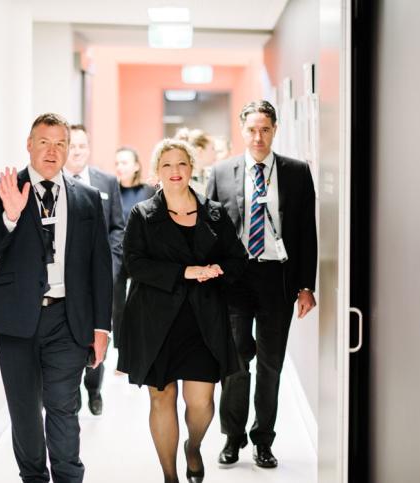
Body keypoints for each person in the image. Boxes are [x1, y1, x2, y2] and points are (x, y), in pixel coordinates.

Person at [0, 113, 113, 483]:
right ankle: (33, 478)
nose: (52, 151)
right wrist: (10, 216)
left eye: (60, 143)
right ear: (29, 145)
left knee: (64, 407)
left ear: (69, 149)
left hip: (68, 319)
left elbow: (100, 267)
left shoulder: (86, 199)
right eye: (44, 142)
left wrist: (102, 328)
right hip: (16, 320)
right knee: (24, 412)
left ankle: (69, 478)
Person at [117, 139, 246, 483]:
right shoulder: (143, 215)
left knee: (201, 403)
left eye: (182, 164)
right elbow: (133, 264)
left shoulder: (214, 213)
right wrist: (184, 272)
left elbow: (238, 259)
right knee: (162, 399)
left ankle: (194, 446)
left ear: (192, 168)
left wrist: (218, 268)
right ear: (157, 172)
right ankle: (170, 476)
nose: (175, 172)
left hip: (203, 320)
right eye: (167, 165)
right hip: (155, 320)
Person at [206, 100, 318, 469]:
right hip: (234, 280)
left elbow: (306, 234)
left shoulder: (297, 172)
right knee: (235, 363)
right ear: (242, 130)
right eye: (252, 129)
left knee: (270, 364)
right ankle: (232, 437)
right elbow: (209, 232)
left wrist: (306, 285)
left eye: (265, 129)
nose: (258, 136)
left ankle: (263, 440)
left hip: (277, 278)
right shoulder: (221, 172)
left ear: (275, 130)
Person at [65, 124, 125, 415]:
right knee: (71, 336)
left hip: (100, 277)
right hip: (66, 279)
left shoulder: (106, 181)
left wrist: (112, 266)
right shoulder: (57, 182)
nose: (77, 151)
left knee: (99, 333)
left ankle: (94, 390)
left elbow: (117, 227)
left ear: (89, 148)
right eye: (72, 146)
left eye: (82, 146)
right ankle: (71, 392)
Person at [112, 146, 156, 349]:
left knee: (142, 302)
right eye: (117, 163)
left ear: (136, 165)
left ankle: (143, 345)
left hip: (142, 255)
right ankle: (122, 350)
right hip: (118, 255)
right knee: (117, 305)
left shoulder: (149, 191)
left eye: (125, 162)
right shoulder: (111, 191)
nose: (120, 167)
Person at [175, 127, 216, 195]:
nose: (215, 152)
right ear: (199, 151)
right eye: (212, 148)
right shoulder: (179, 178)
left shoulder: (211, 175)